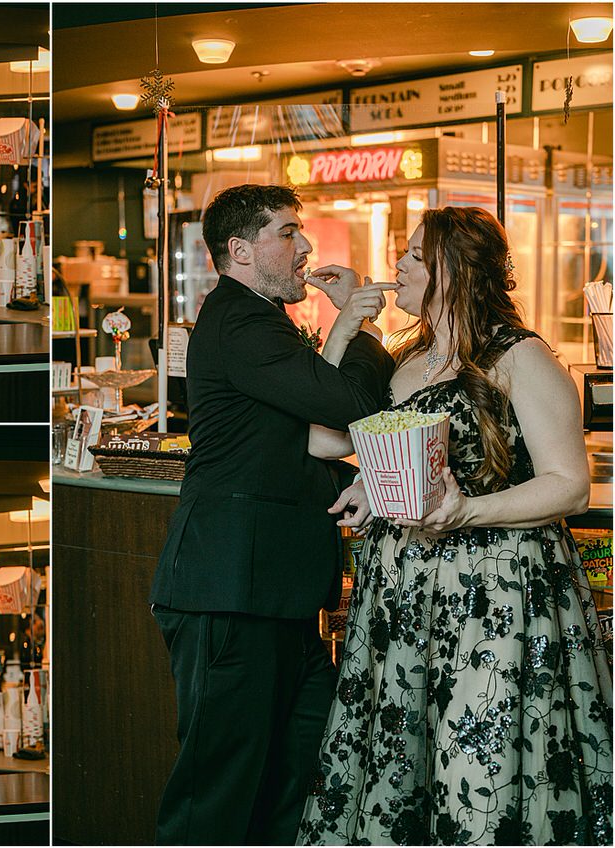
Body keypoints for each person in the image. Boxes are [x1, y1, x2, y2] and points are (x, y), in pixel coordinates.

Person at [298, 206, 612, 845]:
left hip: (493, 594)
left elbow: (569, 485)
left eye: (415, 255)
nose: (399, 265)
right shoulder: (404, 359)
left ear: (455, 270)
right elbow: (326, 440)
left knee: (478, 755)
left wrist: (467, 509)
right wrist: (345, 328)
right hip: (407, 590)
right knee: (405, 754)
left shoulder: (520, 356)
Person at [148, 184, 395, 845]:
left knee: (295, 783)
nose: (305, 246)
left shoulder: (263, 324)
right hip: (229, 594)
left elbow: (315, 430)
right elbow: (346, 403)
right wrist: (356, 324)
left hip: (277, 600)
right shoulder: (240, 322)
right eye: (288, 232)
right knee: (218, 798)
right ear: (241, 250)